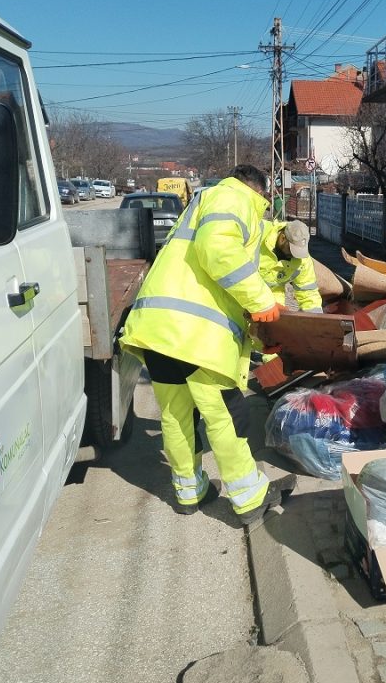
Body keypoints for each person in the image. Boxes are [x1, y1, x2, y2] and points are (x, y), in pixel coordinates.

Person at [119, 164, 296, 526]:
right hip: (195, 335)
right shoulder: (235, 198)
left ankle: (189, 491)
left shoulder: (201, 203)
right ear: (259, 190)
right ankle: (249, 498)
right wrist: (261, 302)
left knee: (175, 414)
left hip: (157, 329)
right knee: (227, 415)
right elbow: (219, 250)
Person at [258, 220, 323, 313]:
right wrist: (262, 303)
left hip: (274, 303)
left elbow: (308, 294)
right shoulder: (258, 235)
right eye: (291, 249)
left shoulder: (302, 260)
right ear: (283, 238)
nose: (294, 255)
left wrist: (317, 321)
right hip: (241, 298)